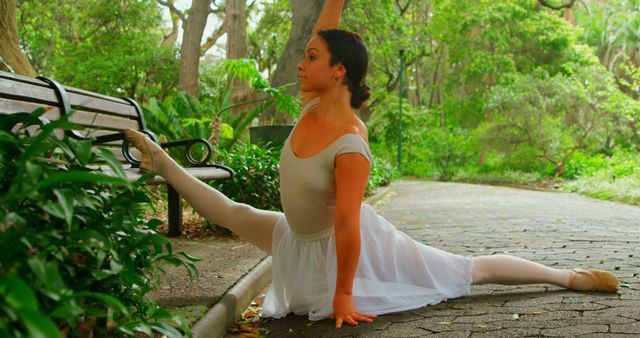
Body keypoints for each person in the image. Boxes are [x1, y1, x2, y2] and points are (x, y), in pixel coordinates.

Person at [123, 0, 619, 329]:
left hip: (349, 251)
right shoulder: (312, 106)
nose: (301, 62)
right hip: (298, 237)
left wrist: (342, 296)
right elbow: (324, 28)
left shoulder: (351, 145)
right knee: (232, 212)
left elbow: (347, 227)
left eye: (311, 57)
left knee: (468, 271)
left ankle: (565, 277)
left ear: (337, 71)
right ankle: (162, 158)